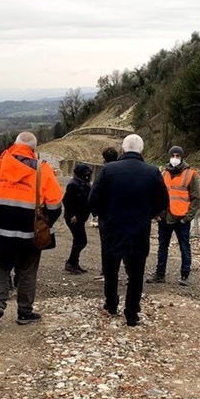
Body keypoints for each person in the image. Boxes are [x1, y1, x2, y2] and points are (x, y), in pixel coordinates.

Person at [0, 131, 63, 326]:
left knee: (1, 265)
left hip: (0, 229)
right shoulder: (42, 170)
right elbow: (55, 206)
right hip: (30, 231)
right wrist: (45, 224)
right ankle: (24, 313)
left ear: (14, 144)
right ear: (33, 149)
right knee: (28, 269)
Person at [89, 134, 169, 327]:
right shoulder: (152, 172)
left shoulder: (108, 170)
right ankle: (132, 313)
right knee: (136, 273)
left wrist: (105, 215)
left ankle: (111, 304)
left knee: (111, 269)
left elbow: (93, 199)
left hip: (112, 228)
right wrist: (148, 214)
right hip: (139, 228)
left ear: (123, 149)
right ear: (142, 151)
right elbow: (163, 201)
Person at [146, 145, 200, 286]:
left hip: (181, 218)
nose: (175, 158)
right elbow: (155, 195)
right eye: (173, 155)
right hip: (164, 217)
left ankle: (185, 276)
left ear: (182, 157)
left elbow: (196, 198)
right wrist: (156, 214)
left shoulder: (190, 174)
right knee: (162, 247)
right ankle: (160, 274)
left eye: (178, 156)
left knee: (184, 247)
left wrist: (187, 217)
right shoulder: (163, 174)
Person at [63, 162, 92, 274]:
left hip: (80, 216)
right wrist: (72, 215)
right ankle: (71, 262)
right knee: (81, 241)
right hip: (74, 218)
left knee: (79, 240)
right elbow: (66, 201)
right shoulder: (74, 185)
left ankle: (73, 262)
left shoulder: (83, 183)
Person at [95, 146, 119, 278]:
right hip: (120, 212)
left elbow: (96, 193)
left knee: (106, 243)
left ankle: (107, 270)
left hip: (105, 214)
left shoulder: (104, 172)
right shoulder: (122, 171)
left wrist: (95, 210)